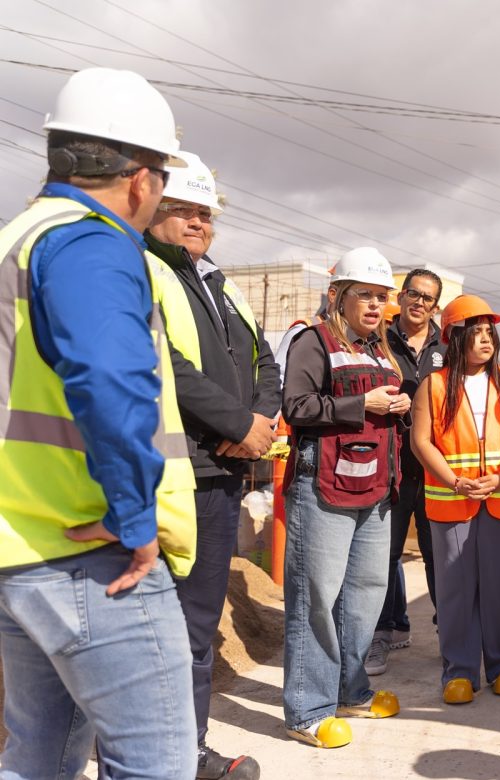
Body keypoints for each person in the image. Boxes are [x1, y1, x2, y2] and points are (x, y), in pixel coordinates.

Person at [0, 67, 198, 779]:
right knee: (156, 764)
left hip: (20, 553)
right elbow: (111, 381)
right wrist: (134, 514)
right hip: (90, 551)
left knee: (39, 760)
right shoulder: (91, 242)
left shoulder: (17, 236)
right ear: (142, 178)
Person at [145, 150, 279, 780]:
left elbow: (266, 366)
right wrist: (236, 424)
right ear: (155, 210)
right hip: (178, 476)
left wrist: (258, 424)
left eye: (207, 214)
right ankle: (168, 754)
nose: (199, 223)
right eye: (186, 211)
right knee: (175, 628)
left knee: (196, 626)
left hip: (222, 475)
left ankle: (182, 748)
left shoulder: (219, 283)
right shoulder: (144, 270)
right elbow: (165, 364)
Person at [280, 247, 407, 748]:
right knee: (316, 597)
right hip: (324, 485)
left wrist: (398, 403)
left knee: (364, 596)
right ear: (338, 296)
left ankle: (351, 690)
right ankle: (307, 711)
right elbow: (297, 405)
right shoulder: (314, 341)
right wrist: (364, 403)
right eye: (366, 295)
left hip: (374, 487)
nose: (375, 305)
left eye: (381, 297)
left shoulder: (382, 349)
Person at [410, 294, 500, 704]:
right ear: (454, 338)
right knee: (454, 589)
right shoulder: (434, 384)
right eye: (475, 332)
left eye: (489, 332)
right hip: (452, 501)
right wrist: (454, 481)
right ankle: (459, 671)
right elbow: (421, 441)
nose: (485, 339)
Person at [365, 269, 446, 676]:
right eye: (413, 293)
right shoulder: (376, 338)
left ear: (436, 305)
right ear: (402, 295)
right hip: (389, 467)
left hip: (434, 470)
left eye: (427, 298)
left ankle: (450, 635)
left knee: (440, 558)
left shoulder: (447, 345)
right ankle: (378, 635)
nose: (419, 302)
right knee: (383, 556)